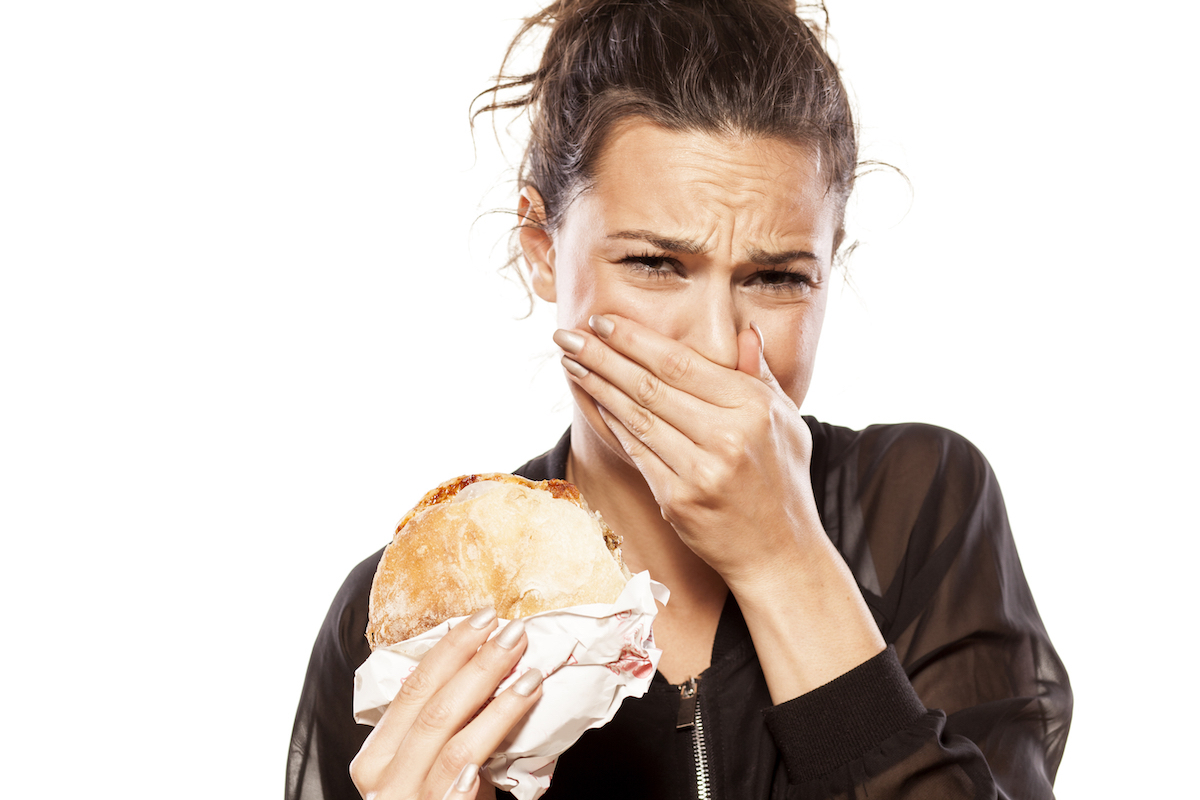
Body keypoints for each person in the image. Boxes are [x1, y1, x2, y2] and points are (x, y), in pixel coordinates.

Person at [286, 0, 1072, 797]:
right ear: (541, 251)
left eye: (776, 278)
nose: (714, 344)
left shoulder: (917, 505)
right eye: (656, 264)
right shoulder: (413, 611)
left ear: (831, 266)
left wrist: (783, 558)